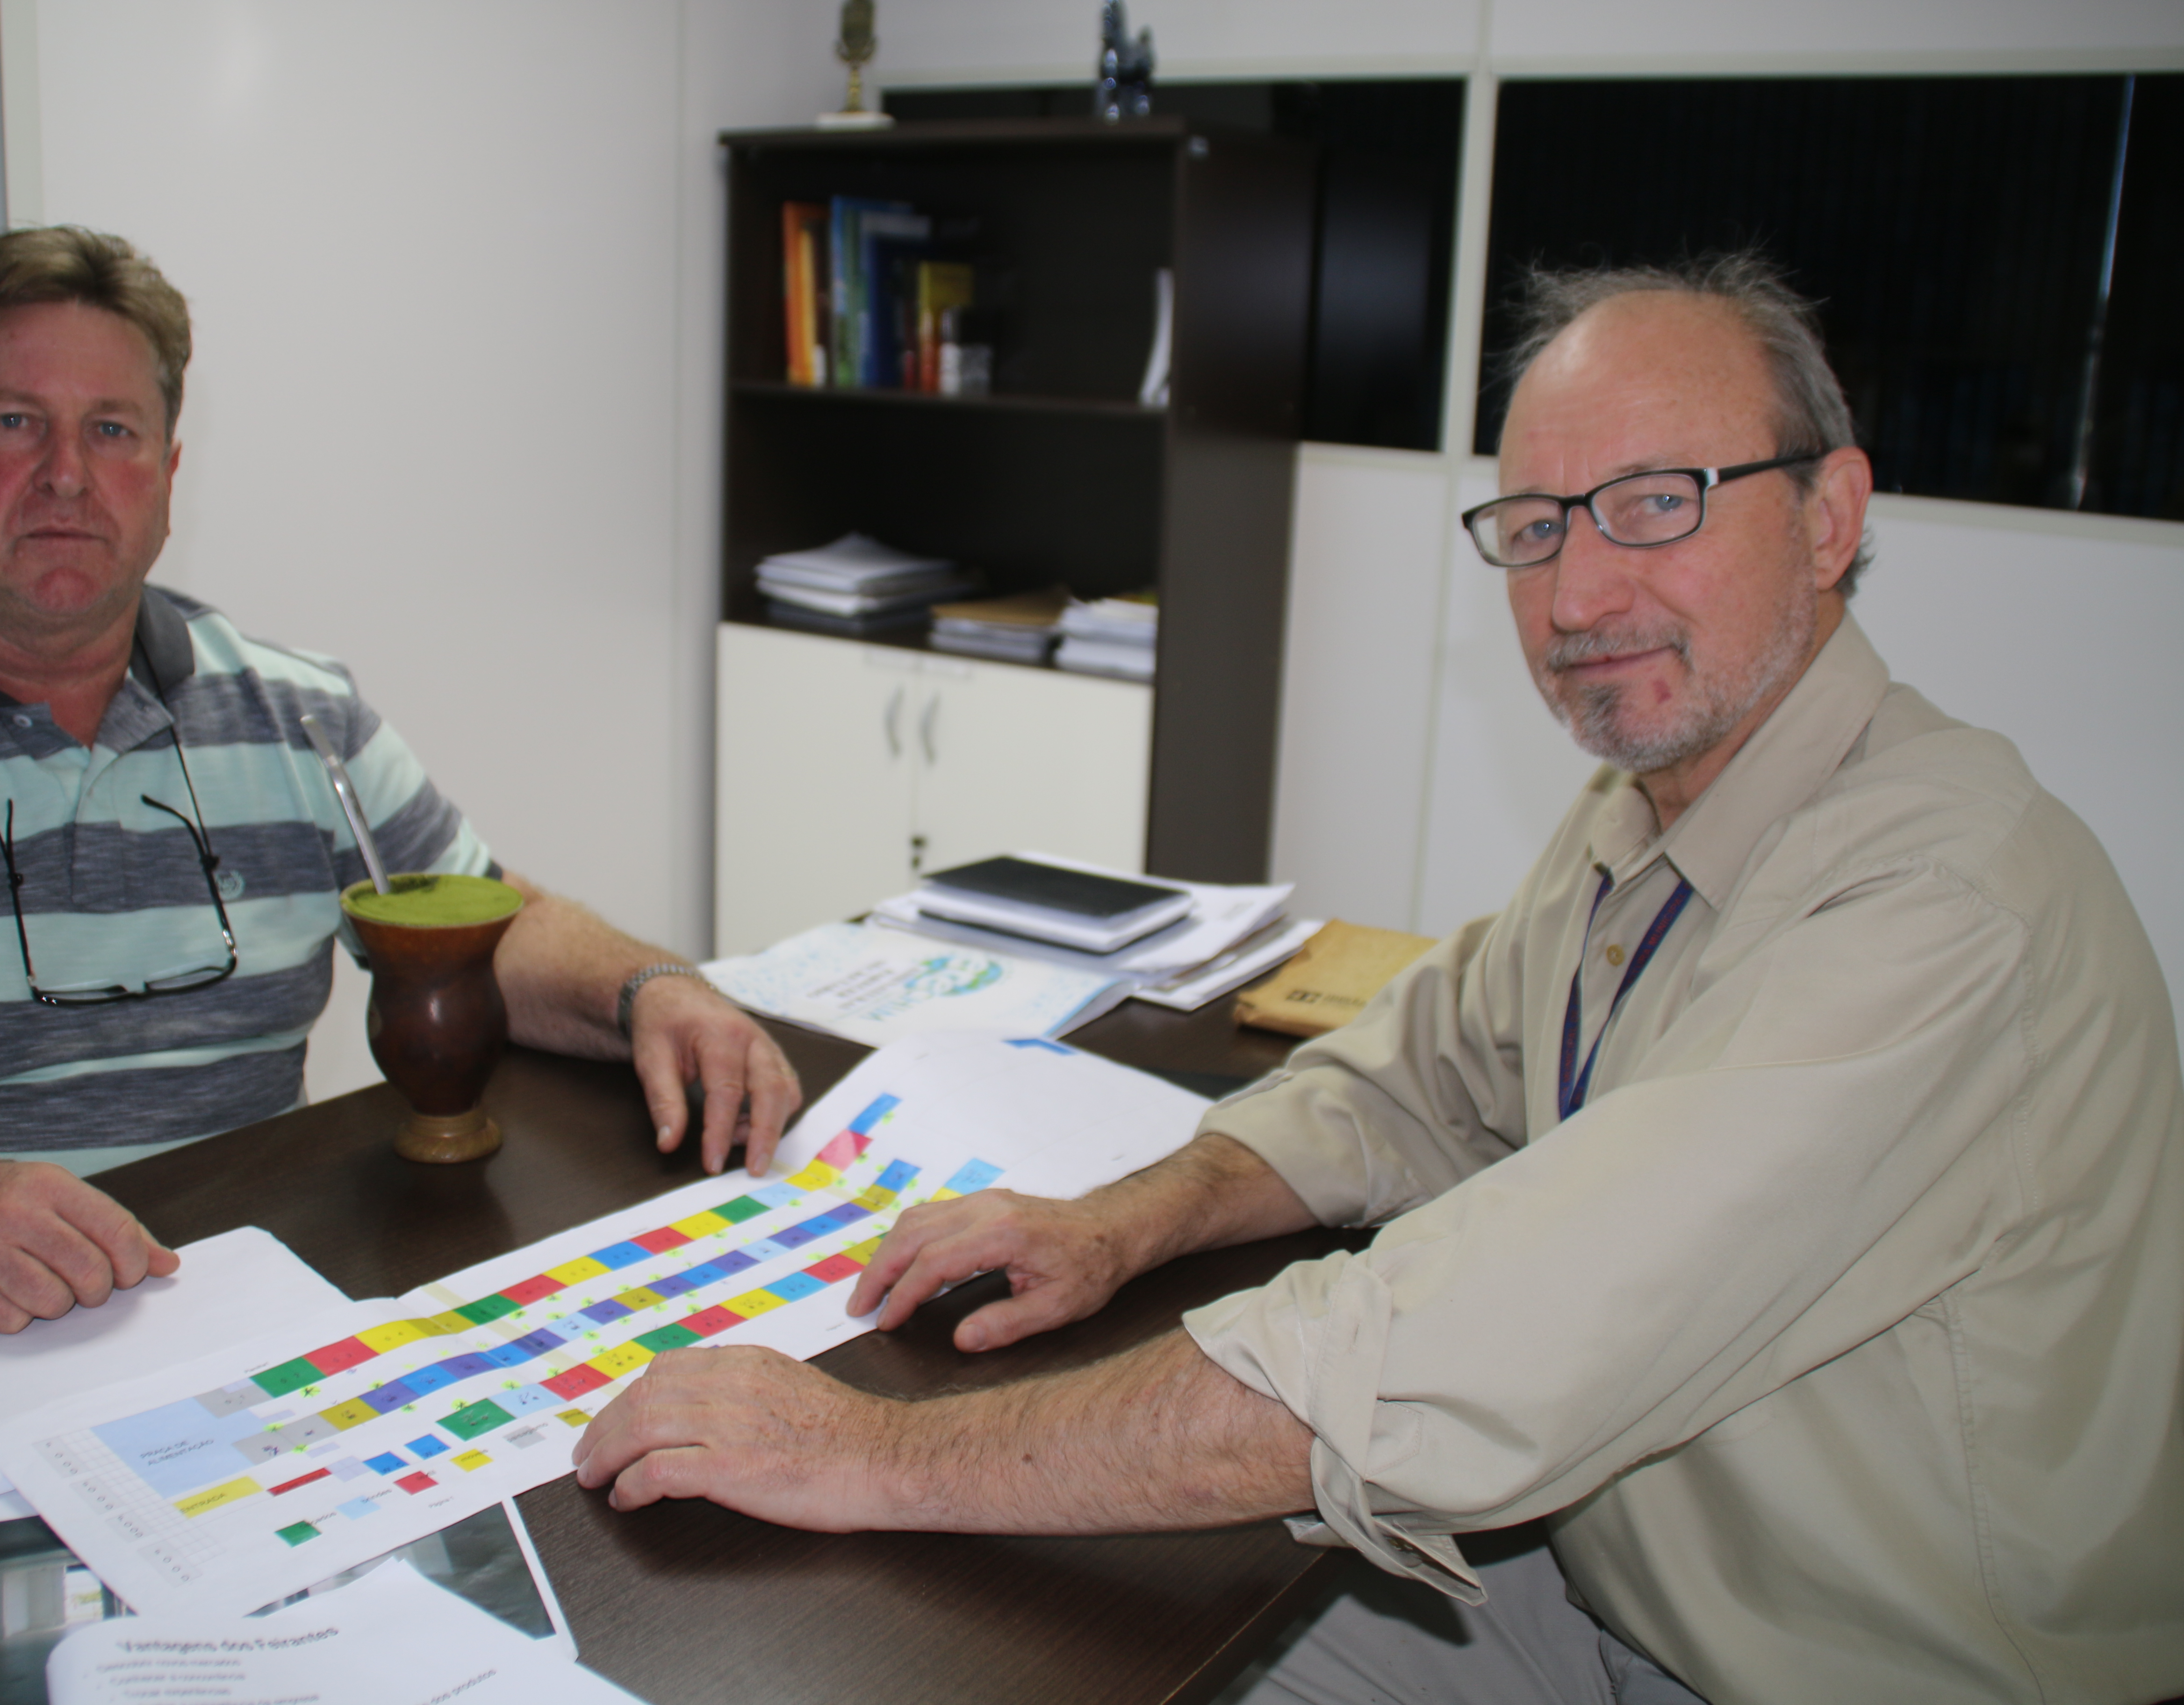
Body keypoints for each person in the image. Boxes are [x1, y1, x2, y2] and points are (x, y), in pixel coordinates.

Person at [573, 254, 2184, 1704]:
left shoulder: (1941, 904)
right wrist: (1123, 1219)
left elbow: (1481, 1334)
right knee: (1021, 1632)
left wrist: (876, 1452)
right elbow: (1427, 1068)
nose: (1577, 596)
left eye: (1655, 503)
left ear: (1829, 516)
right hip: (1603, 1574)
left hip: (1835, 1659)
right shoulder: (1656, 805)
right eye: (1537, 527)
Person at [0, 227, 800, 1334]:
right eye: (16, 423)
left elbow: (486, 927)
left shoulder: (300, 717)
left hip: (239, 1309)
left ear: (168, 477)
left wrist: (654, 990)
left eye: (112, 431)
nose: (67, 477)